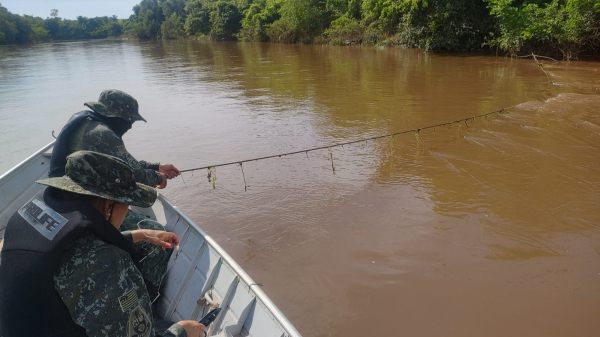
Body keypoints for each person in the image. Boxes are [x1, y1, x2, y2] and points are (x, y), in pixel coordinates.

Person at [0, 151, 205, 337]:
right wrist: (182, 332)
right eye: (126, 204)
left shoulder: (31, 214)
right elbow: (86, 259)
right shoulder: (105, 265)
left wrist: (139, 234)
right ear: (109, 206)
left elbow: (70, 252)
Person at [48, 89, 180, 296]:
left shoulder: (88, 124)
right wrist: (158, 178)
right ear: (118, 117)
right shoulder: (103, 134)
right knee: (158, 238)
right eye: (130, 121)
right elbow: (131, 174)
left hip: (62, 196)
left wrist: (156, 166)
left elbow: (123, 162)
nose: (129, 126)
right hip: (83, 204)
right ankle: (146, 296)